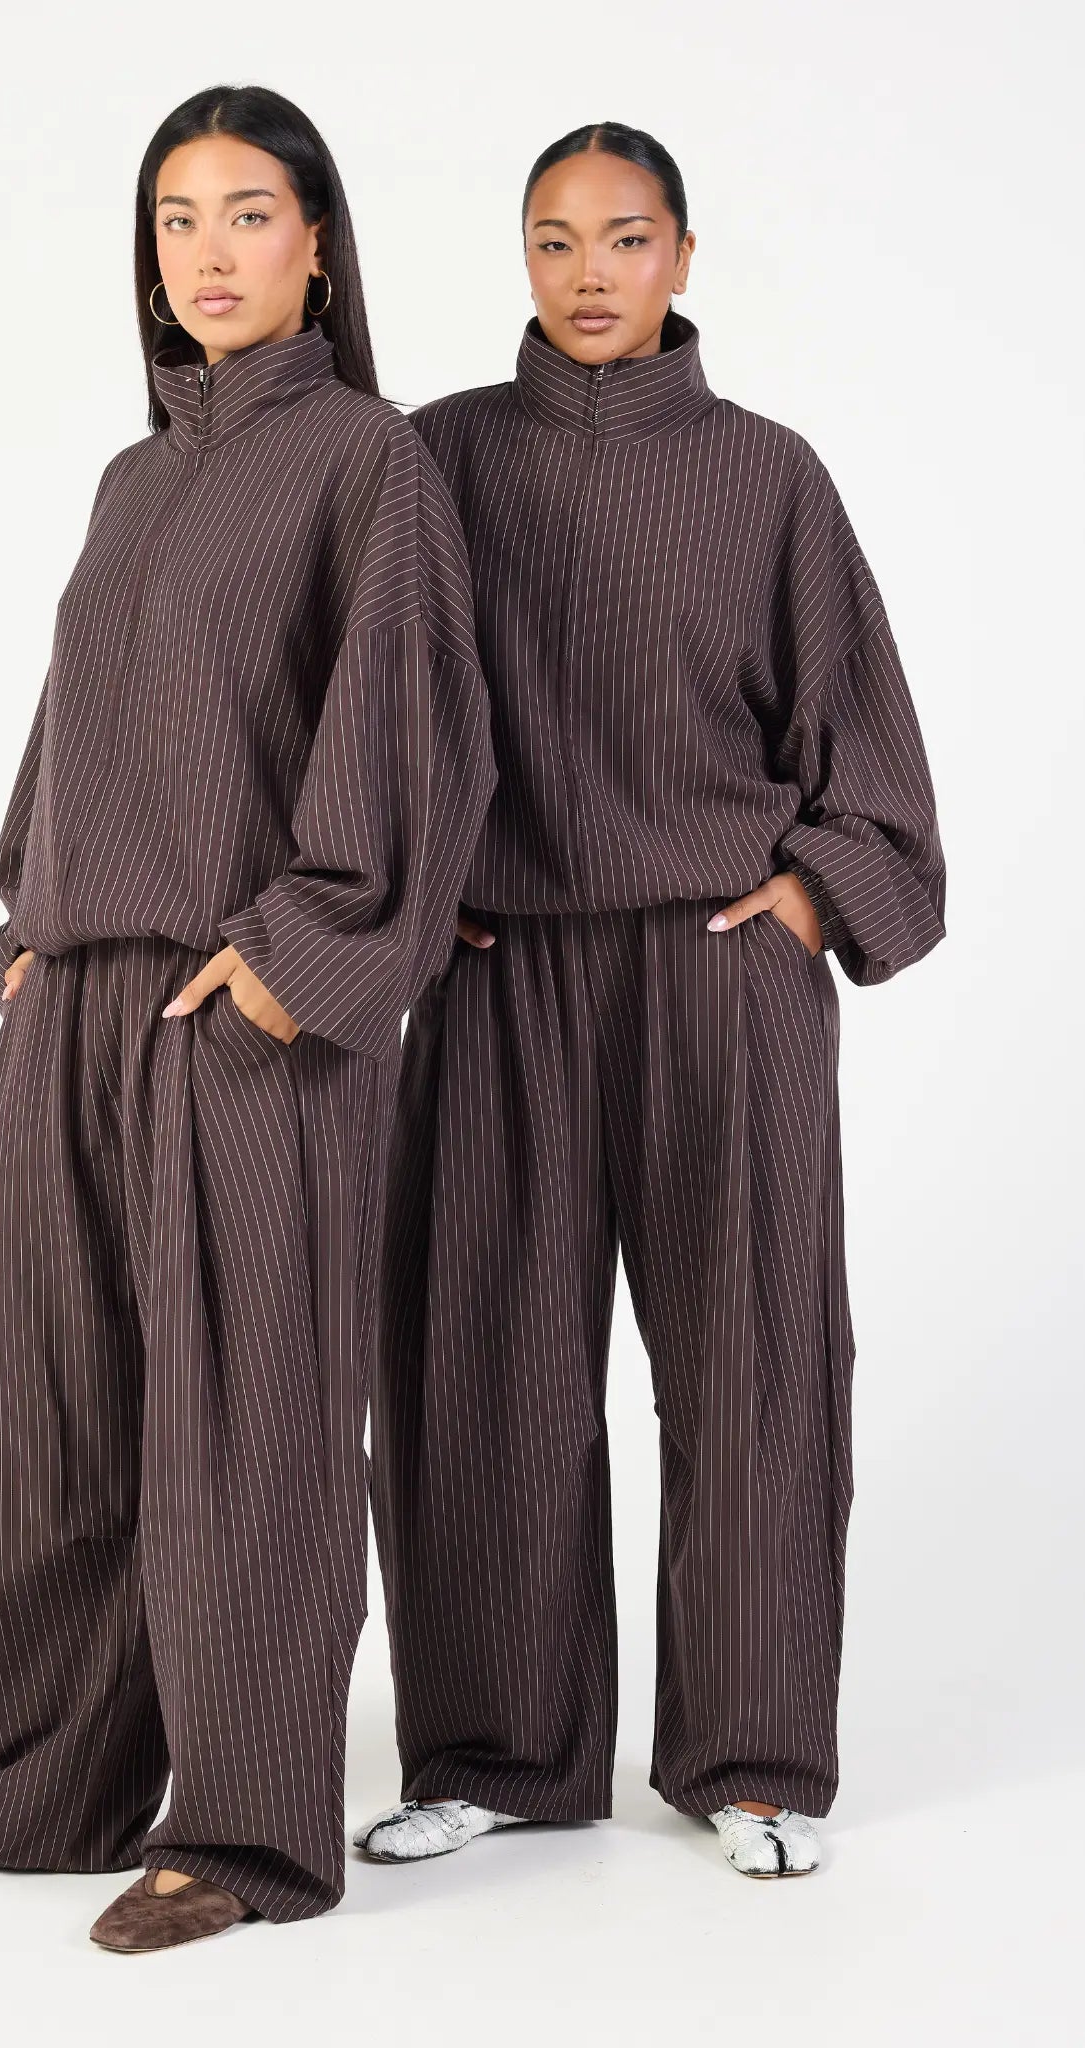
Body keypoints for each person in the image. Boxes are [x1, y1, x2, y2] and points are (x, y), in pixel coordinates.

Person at [0, 84, 495, 1949]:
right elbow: (79, 726)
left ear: (319, 245)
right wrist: (30, 932)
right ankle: (46, 1784)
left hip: (246, 1004)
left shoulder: (367, 462)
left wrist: (299, 957)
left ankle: (246, 1830)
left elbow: (410, 730)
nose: (209, 252)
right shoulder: (132, 480)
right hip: (77, 998)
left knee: (246, 1423)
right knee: (19, 1393)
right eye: (177, 219)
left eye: (249, 213)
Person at [358, 122, 945, 1881]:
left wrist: (808, 897)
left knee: (753, 1356)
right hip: (497, 970)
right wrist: (408, 895)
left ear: (683, 255)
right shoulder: (436, 458)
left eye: (623, 238)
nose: (589, 272)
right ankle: (496, 1754)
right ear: (519, 260)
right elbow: (361, 706)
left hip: (718, 971)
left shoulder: (768, 476)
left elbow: (868, 754)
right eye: (553, 241)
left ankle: (751, 1759)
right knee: (478, 1361)